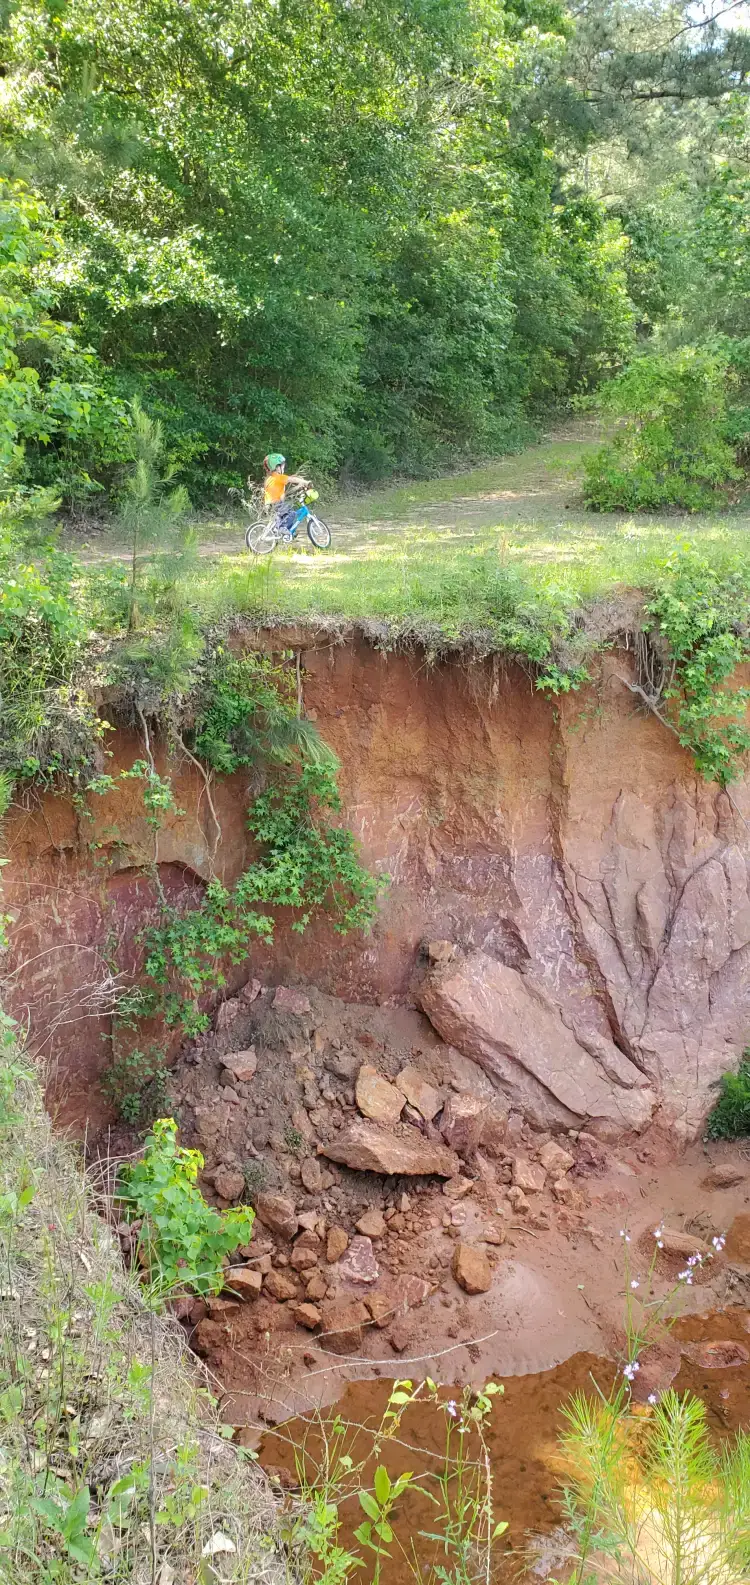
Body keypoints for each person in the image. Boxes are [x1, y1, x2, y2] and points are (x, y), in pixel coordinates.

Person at [262, 452, 310, 537]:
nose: (284, 468)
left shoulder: (270, 478)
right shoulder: (278, 477)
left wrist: (298, 488)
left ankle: (288, 530)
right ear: (277, 467)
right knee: (292, 513)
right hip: (276, 504)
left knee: (286, 513)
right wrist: (305, 482)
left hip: (269, 505)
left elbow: (282, 492)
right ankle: (282, 527)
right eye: (282, 465)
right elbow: (292, 479)